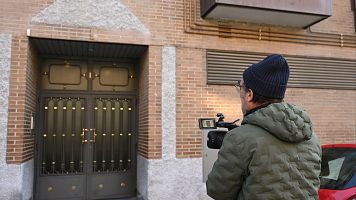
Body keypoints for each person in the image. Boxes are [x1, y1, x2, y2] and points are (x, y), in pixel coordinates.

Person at [206, 54, 321, 200]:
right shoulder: (312, 138)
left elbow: (217, 190)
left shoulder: (240, 138)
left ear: (249, 94)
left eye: (241, 87)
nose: (240, 92)